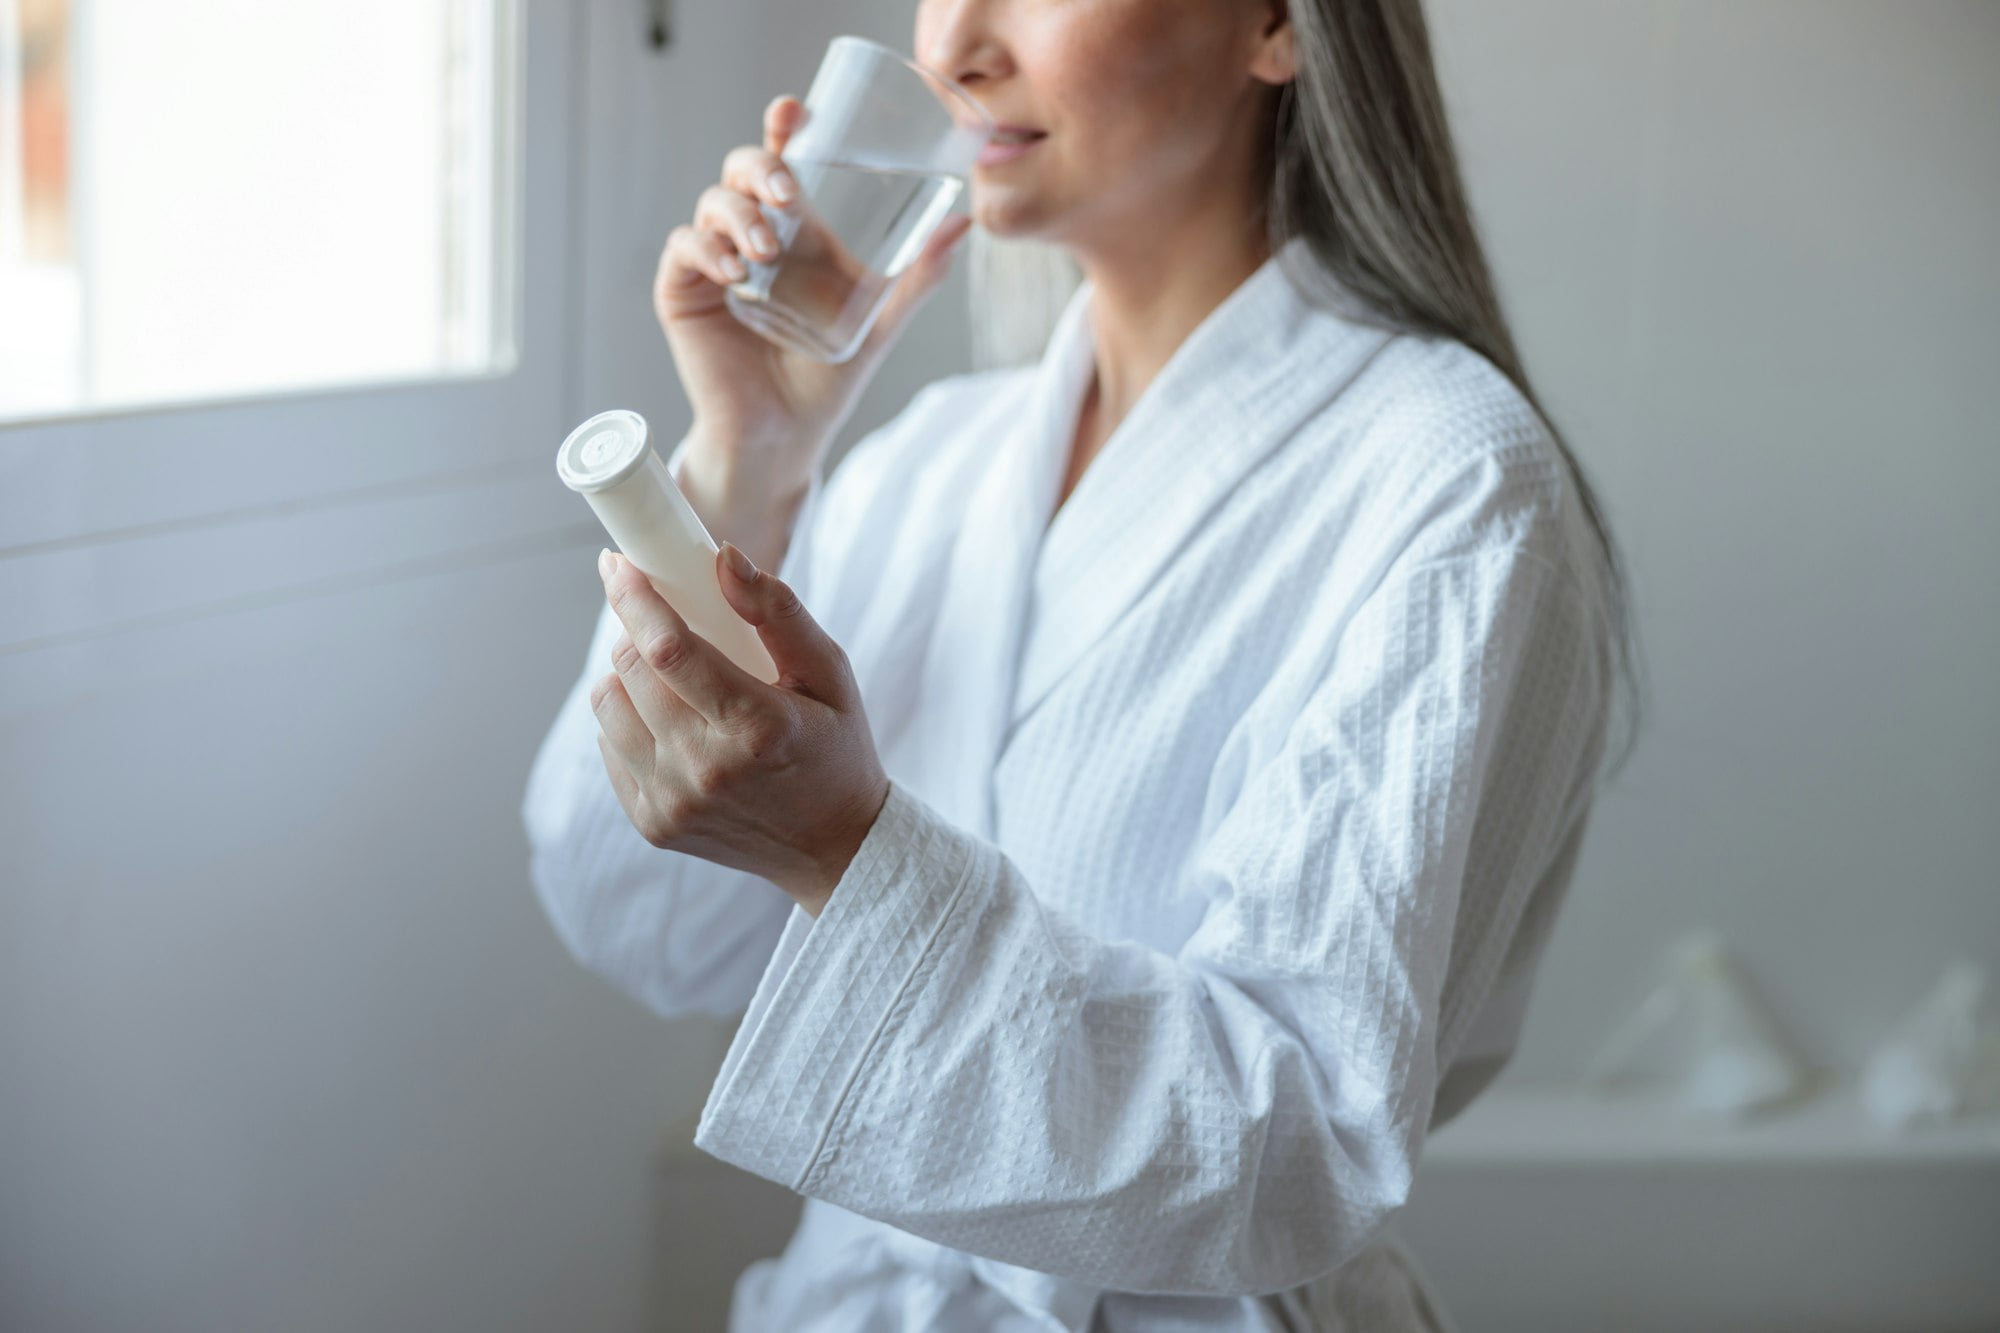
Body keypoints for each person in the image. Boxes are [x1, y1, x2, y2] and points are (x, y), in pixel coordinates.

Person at [523, 0, 1643, 1328]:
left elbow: (1298, 1150)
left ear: (1280, 26)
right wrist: (747, 460)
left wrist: (846, 850)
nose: (951, 51)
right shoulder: (937, 459)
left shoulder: (1450, 479)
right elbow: (640, 922)